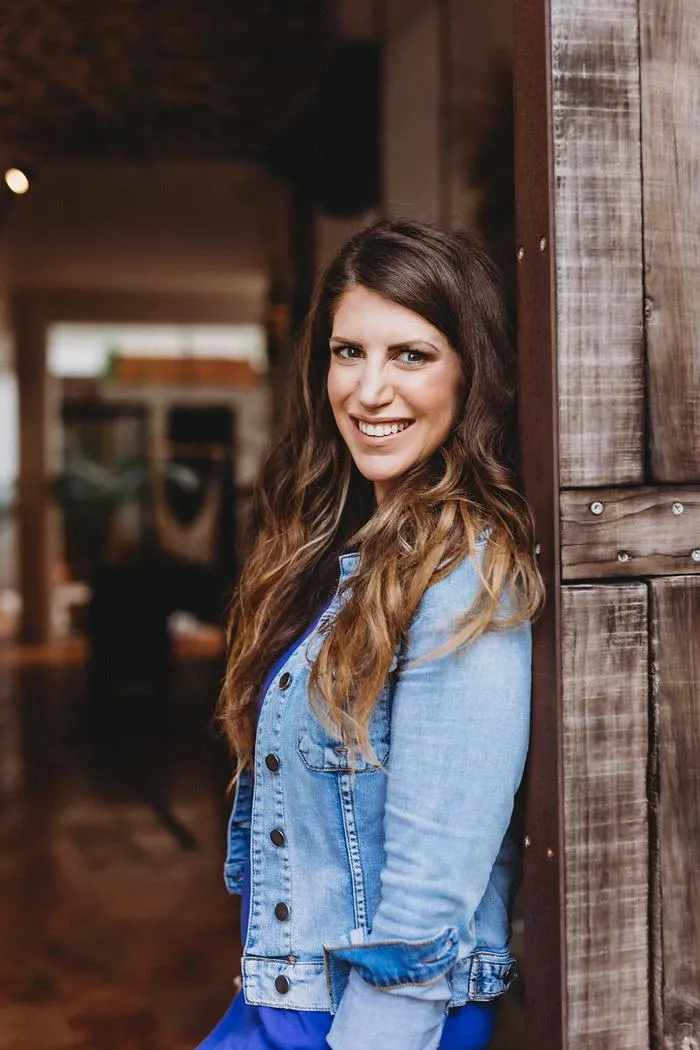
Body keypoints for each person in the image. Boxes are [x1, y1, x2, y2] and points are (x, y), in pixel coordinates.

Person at [198, 219, 544, 1050]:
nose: (368, 390)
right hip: (288, 1001)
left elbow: (431, 892)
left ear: (472, 373)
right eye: (348, 352)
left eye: (411, 355)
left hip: (376, 1019)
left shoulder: (463, 574)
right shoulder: (343, 552)